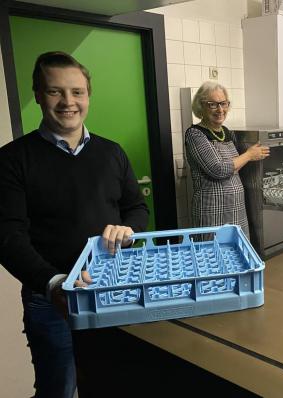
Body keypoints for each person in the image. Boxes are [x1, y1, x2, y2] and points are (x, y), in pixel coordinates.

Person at [0, 51, 149, 397]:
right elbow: (8, 236)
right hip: (51, 299)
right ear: (37, 94)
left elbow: (137, 209)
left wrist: (130, 232)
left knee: (117, 380)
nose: (68, 102)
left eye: (77, 92)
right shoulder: (12, 160)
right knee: (60, 389)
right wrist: (54, 284)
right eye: (55, 92)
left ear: (88, 96)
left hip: (114, 288)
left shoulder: (112, 153)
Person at [185, 81, 269, 238]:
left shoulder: (226, 132)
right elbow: (219, 169)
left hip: (236, 208)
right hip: (212, 210)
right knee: (213, 258)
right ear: (200, 106)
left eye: (223, 103)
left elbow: (233, 167)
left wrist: (239, 161)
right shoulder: (195, 134)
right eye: (212, 104)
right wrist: (249, 155)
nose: (220, 109)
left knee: (238, 256)